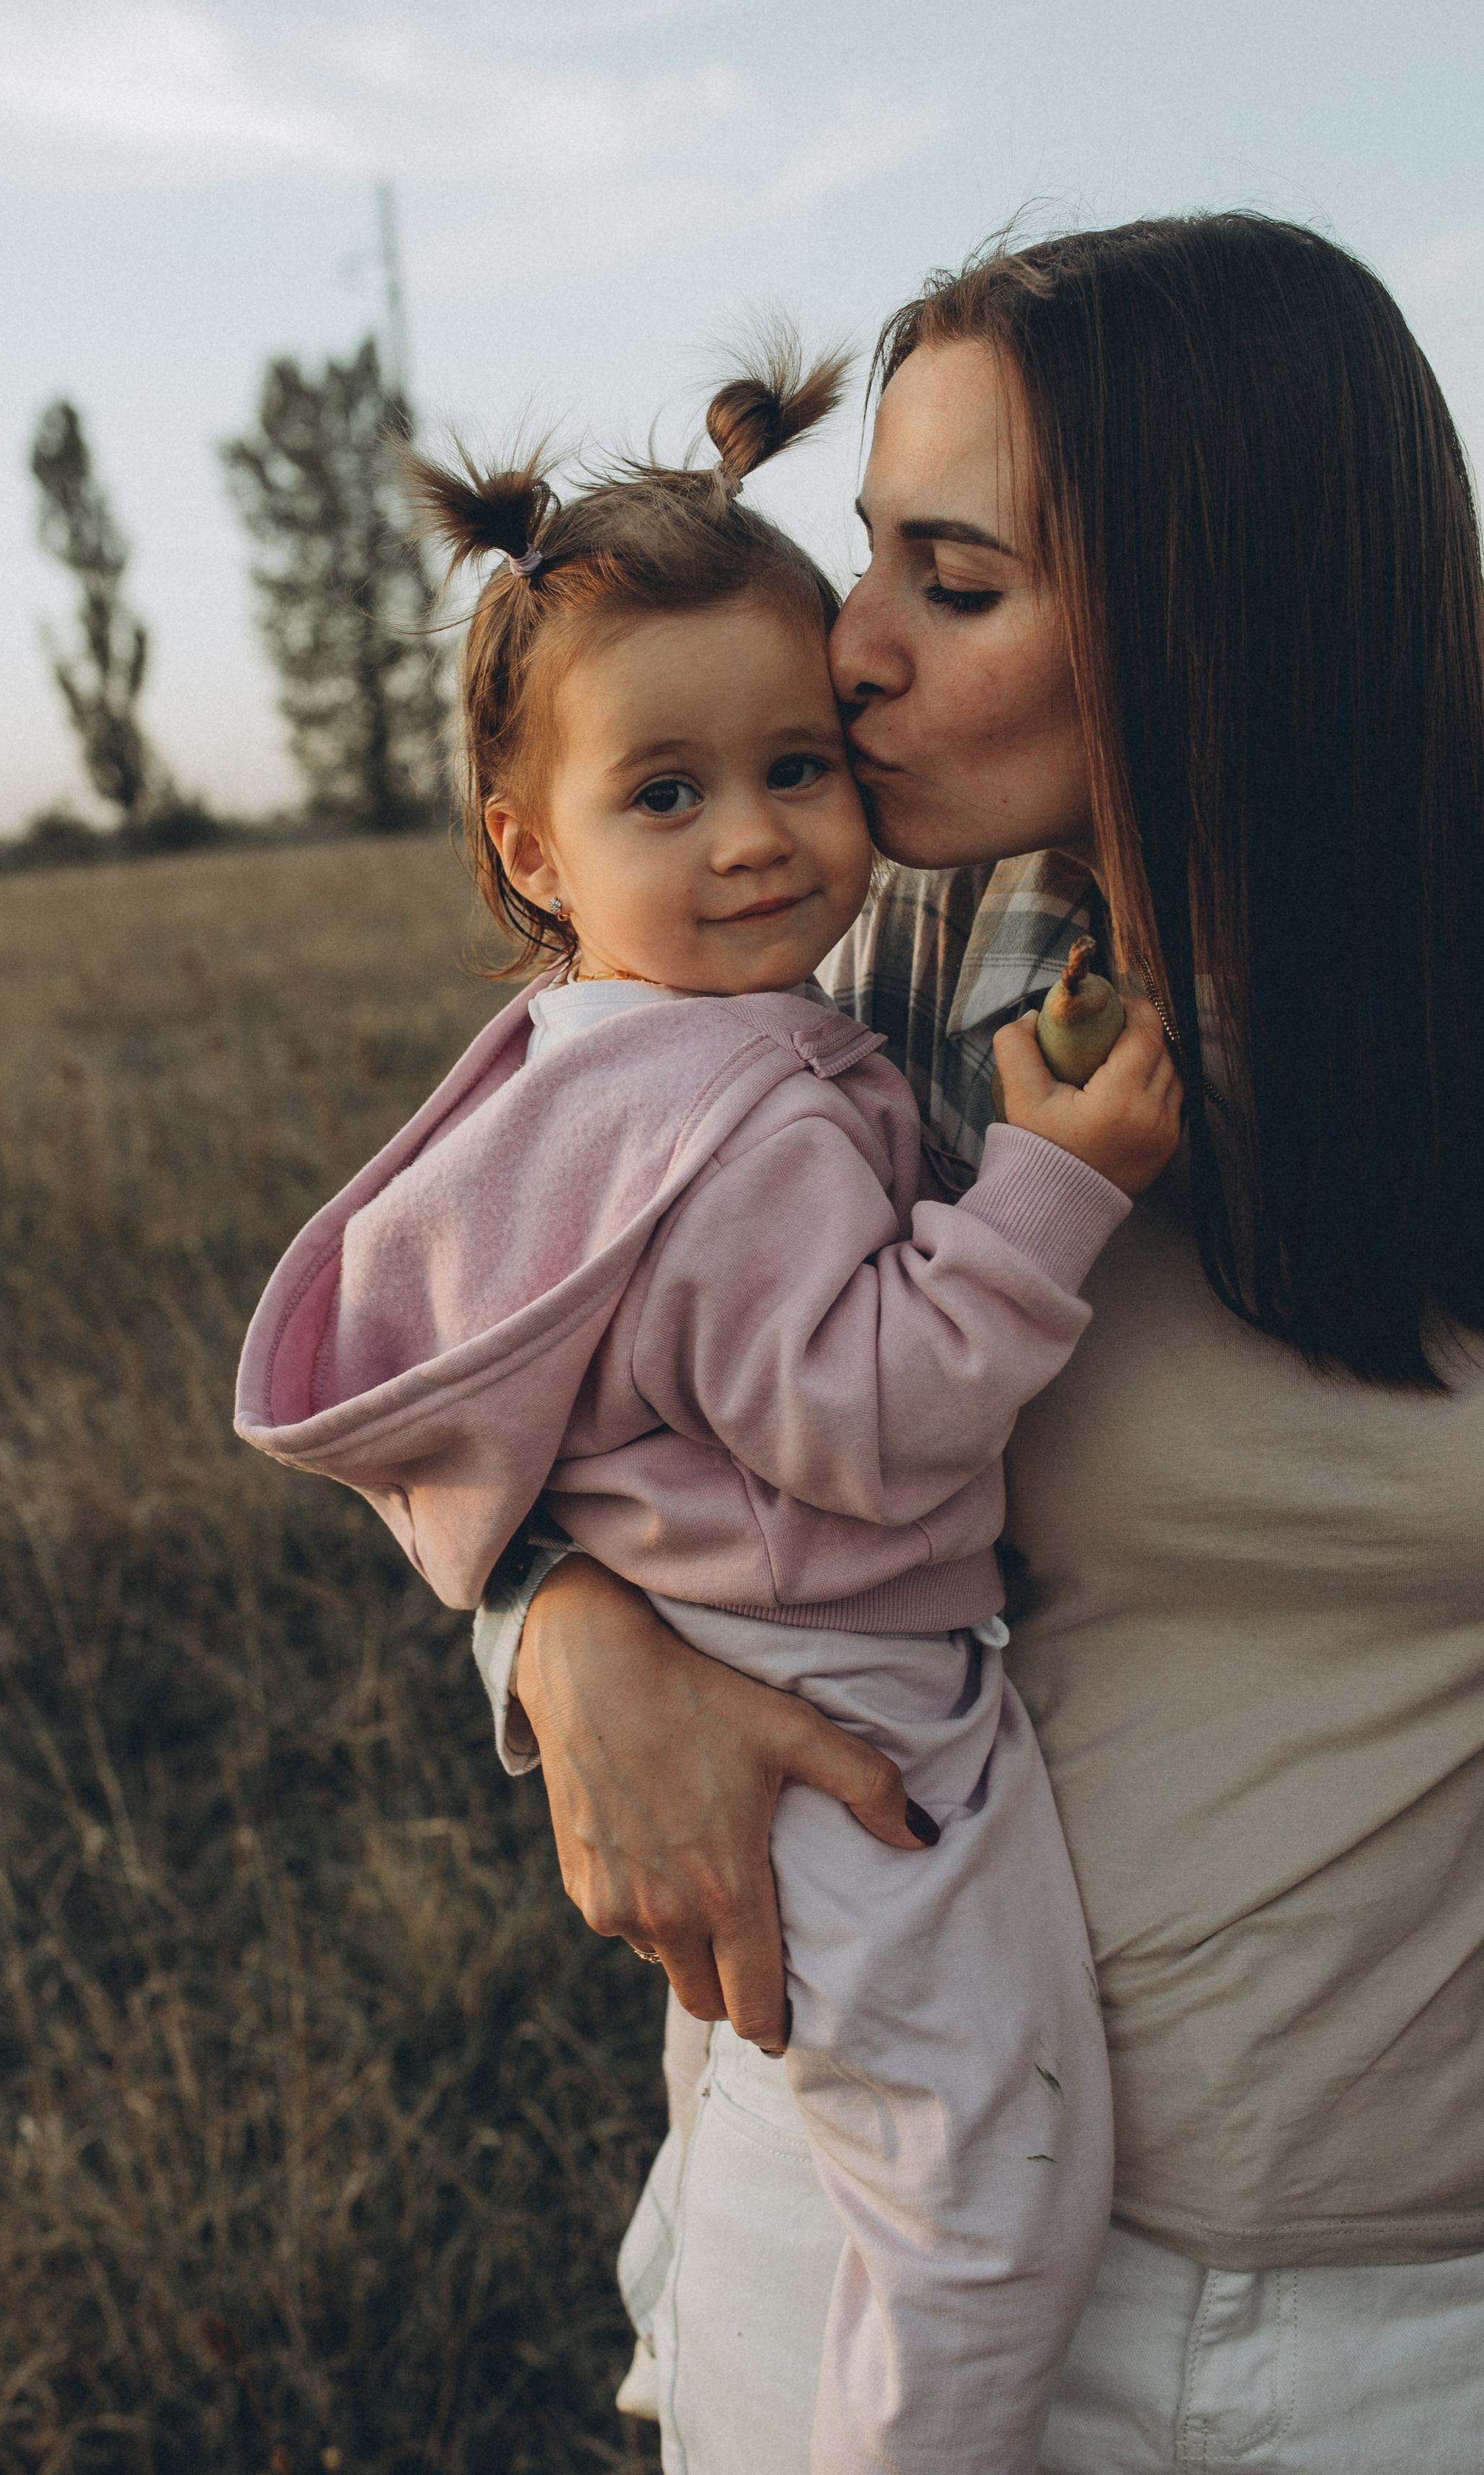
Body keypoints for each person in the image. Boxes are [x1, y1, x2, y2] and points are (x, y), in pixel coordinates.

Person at [484, 216, 1484, 2474]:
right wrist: (560, 1639)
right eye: (868, 561)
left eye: (956, 582)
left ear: (1230, 606)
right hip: (849, 2202)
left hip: (1394, 2323)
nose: (844, 657)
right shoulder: (875, 975)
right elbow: (517, 1372)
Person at [234, 346, 1182, 2475]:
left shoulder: (608, 1062)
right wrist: (1056, 1183)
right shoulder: (744, 1102)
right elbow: (869, 1423)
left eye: (796, 769)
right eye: (667, 797)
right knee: (985, 2206)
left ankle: (701, 2331)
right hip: (857, 1710)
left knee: (767, 2070)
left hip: (771, 1686)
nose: (758, 841)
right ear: (531, 848)